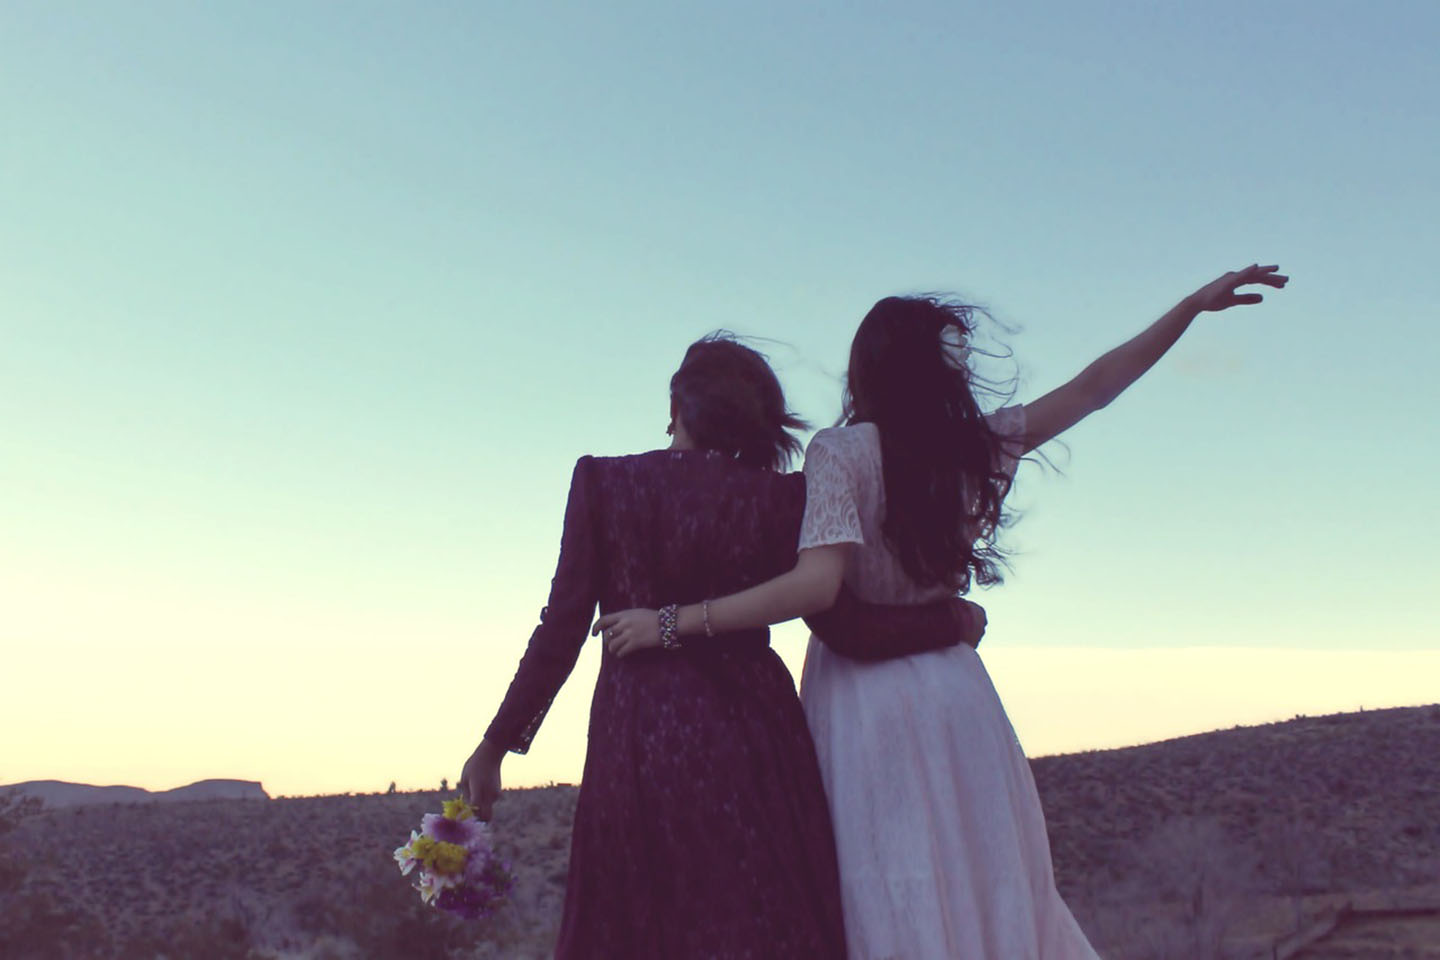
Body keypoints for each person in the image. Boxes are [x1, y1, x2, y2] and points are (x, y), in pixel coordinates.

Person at [595, 264, 1289, 959]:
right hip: (959, 696)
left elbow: (816, 590)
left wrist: (672, 622)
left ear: (863, 371)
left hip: (865, 707)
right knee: (986, 885)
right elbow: (1093, 389)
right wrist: (1189, 309)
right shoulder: (973, 449)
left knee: (886, 889)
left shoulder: (838, 453)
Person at [459, 335, 988, 959]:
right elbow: (846, 625)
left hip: (642, 749)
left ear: (678, 407)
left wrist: (496, 744)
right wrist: (952, 619)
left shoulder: (606, 483)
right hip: (760, 750)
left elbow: (561, 630)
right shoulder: (781, 499)